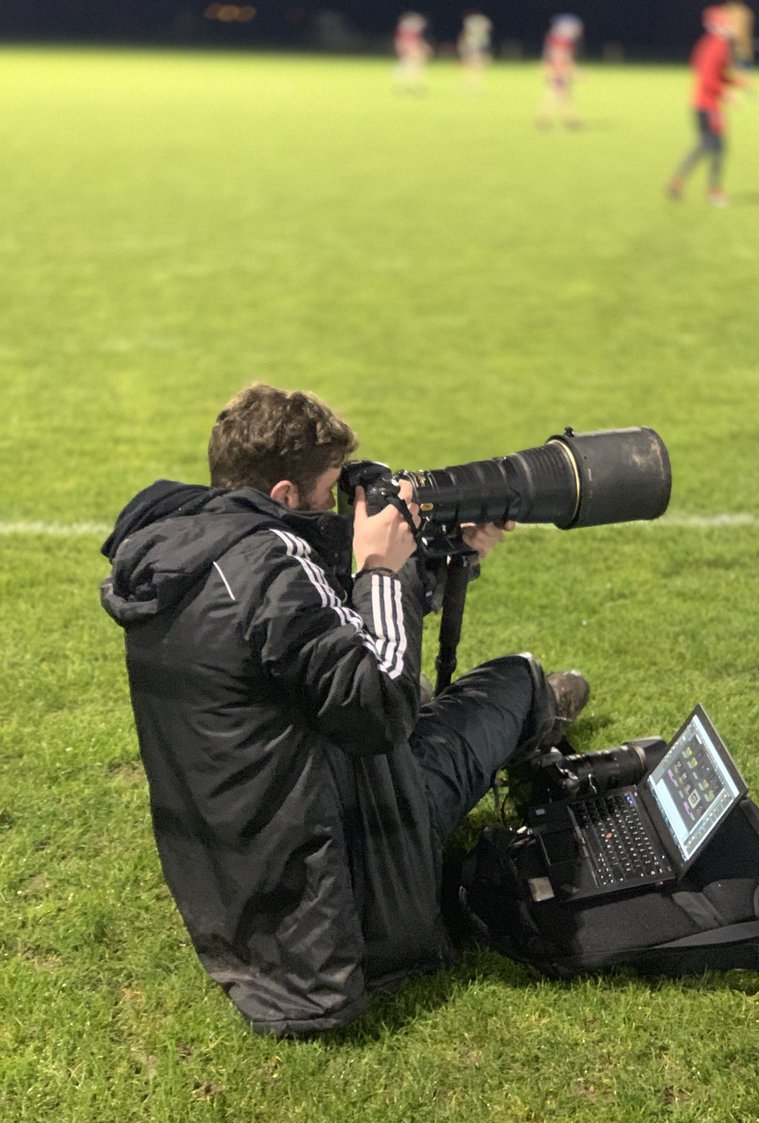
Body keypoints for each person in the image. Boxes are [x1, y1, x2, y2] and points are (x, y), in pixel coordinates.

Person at [100, 383, 589, 1035]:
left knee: (414, 693)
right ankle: (540, 707)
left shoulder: (185, 549)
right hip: (339, 897)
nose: (337, 509)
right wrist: (383, 569)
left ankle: (527, 707)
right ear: (281, 497)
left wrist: (448, 558)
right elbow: (379, 709)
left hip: (245, 890)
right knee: (512, 681)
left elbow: (320, 633)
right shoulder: (272, 567)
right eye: (329, 492)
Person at [667, 6, 747, 207]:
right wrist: (727, 94)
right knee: (718, 148)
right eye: (728, 22)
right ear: (720, 25)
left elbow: (711, 73)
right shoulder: (719, 45)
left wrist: (736, 82)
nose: (732, 26)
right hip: (709, 106)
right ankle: (715, 192)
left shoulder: (708, 43)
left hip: (699, 104)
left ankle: (676, 182)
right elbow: (709, 79)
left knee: (705, 145)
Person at [536, 14, 584, 130]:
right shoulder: (561, 42)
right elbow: (562, 58)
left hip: (558, 70)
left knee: (562, 94)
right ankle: (549, 118)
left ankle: (567, 118)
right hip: (558, 71)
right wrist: (573, 71)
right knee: (557, 94)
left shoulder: (556, 40)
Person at [394, 11, 431, 94]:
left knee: (411, 67)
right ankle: (410, 86)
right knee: (410, 67)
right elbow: (409, 41)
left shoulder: (406, 30)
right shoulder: (409, 30)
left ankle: (410, 85)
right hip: (411, 49)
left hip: (411, 49)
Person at [458, 10, 493, 92]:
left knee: (474, 65)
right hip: (476, 45)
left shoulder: (472, 24)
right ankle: (471, 82)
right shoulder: (482, 23)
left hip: (475, 45)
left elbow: (465, 34)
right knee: (474, 66)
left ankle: (472, 82)